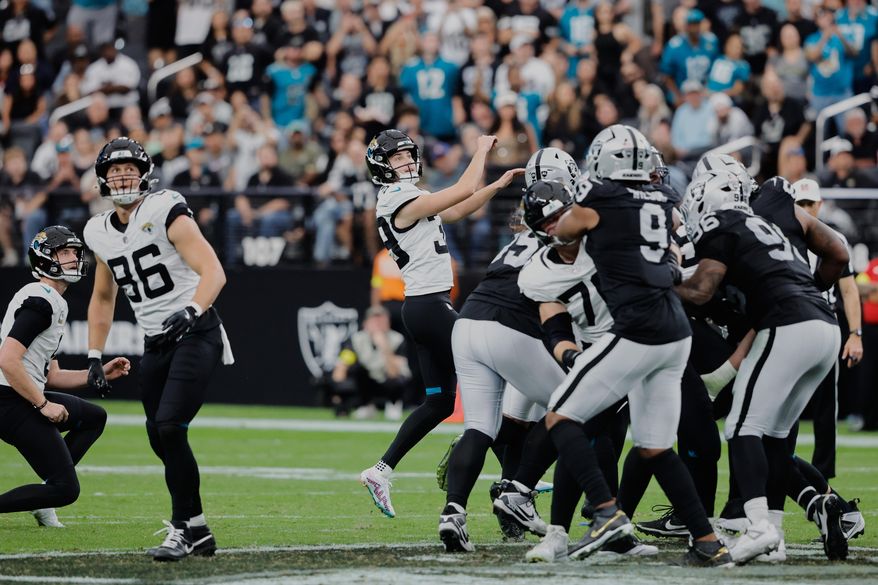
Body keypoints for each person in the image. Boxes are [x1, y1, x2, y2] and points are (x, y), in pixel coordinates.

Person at [508, 124, 733, 565]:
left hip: (636, 329)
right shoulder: (662, 196)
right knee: (653, 446)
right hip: (672, 333)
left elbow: (573, 222)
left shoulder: (599, 202)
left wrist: (567, 214)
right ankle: (708, 541)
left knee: (560, 417)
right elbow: (670, 250)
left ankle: (607, 514)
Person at [678, 170, 849, 562]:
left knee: (741, 427)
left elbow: (702, 290)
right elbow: (838, 251)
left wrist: (660, 283)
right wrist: (807, 289)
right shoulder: (768, 217)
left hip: (787, 324)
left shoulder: (720, 222)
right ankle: (775, 535)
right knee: (773, 436)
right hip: (824, 324)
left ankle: (757, 527)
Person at [83, 137, 234, 561]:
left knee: (169, 426)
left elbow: (213, 271)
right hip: (155, 341)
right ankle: (199, 528)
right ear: (102, 180)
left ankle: (182, 530)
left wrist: (190, 309)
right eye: (114, 171)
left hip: (196, 331)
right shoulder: (98, 230)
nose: (122, 176)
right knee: (158, 434)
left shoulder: (164, 208)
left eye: (129, 168)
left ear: (145, 173)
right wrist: (94, 354)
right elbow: (102, 297)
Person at [359, 129, 520, 518]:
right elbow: (463, 188)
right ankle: (517, 480)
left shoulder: (405, 198)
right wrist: (481, 149)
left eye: (407, 155)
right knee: (494, 371)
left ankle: (380, 471)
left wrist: (496, 185)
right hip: (430, 307)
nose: (407, 162)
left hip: (423, 307)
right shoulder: (399, 197)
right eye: (397, 158)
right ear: (382, 167)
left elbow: (458, 209)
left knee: (440, 401)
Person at [438, 151, 578, 553]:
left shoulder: (521, 233)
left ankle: (453, 512)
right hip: (510, 328)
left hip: (468, 322)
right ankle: (519, 491)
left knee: (479, 428)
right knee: (575, 405)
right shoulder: (566, 230)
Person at [0, 226, 129, 528]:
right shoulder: (42, 301)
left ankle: (46, 494)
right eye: (66, 252)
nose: (73, 258)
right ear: (44, 258)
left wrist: (96, 373)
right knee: (66, 490)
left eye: (74, 252)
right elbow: (7, 359)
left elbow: (53, 376)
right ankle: (51, 494)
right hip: (8, 399)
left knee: (94, 417)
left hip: (18, 393)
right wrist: (43, 404)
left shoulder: (52, 300)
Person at [793, 178, 863, 479]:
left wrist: (855, 334)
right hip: (790, 324)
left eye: (811, 204)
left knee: (825, 407)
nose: (807, 209)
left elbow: (849, 290)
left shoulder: (833, 239)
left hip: (824, 321)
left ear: (819, 205)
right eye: (801, 204)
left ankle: (823, 477)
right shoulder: (783, 237)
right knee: (784, 404)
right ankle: (781, 464)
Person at [331, 305, 410, 420]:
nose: (378, 325)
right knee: (355, 373)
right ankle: (365, 404)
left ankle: (393, 404)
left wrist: (384, 347)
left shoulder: (398, 339)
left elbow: (394, 373)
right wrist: (338, 393)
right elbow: (341, 368)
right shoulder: (356, 339)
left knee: (399, 380)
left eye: (382, 321)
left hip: (387, 380)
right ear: (366, 323)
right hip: (365, 382)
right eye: (375, 321)